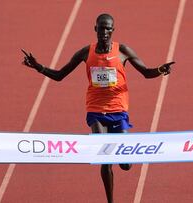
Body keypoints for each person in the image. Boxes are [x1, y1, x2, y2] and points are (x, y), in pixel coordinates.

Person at [22, 13, 175, 203]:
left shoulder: (123, 51)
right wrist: (39, 67)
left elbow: (146, 72)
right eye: (101, 27)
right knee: (105, 154)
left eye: (107, 28)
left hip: (118, 110)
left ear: (113, 30)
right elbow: (61, 75)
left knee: (125, 164)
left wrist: (160, 70)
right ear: (95, 29)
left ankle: (125, 155)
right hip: (95, 108)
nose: (104, 31)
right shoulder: (86, 53)